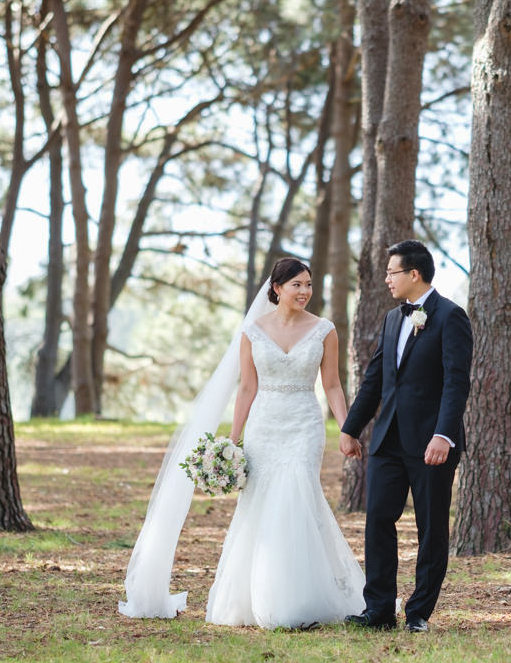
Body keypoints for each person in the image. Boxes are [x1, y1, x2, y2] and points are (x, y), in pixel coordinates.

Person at [119, 258, 365, 628]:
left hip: (303, 424)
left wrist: (347, 428)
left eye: (309, 285)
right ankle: (261, 597)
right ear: (277, 289)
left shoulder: (324, 330)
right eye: (296, 284)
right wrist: (232, 441)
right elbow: (247, 387)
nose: (304, 292)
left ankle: (302, 596)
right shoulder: (253, 330)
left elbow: (331, 385)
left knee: (298, 494)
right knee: (261, 504)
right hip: (264, 426)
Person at [339, 240, 473, 633]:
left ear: (414, 274)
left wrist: (444, 435)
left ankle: (417, 612)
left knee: (431, 527)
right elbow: (375, 378)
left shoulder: (451, 317)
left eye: (391, 272)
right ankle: (379, 610)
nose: (386, 279)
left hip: (432, 444)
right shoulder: (392, 318)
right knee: (379, 519)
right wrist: (351, 427)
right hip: (387, 441)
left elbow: (456, 383)